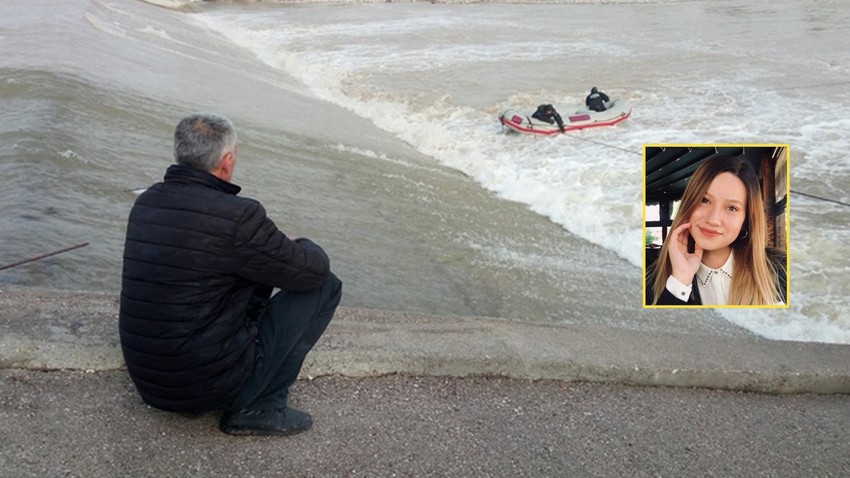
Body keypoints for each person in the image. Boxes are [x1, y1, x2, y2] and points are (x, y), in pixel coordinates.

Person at [119, 113, 342, 436]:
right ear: (226, 162)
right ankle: (259, 406)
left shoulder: (147, 202)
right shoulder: (238, 216)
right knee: (326, 286)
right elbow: (313, 272)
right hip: (201, 385)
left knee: (250, 269)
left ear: (178, 156)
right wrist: (302, 243)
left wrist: (270, 246)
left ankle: (247, 394)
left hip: (150, 381)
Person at [645, 156, 786, 306]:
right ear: (688, 204)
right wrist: (680, 279)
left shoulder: (782, 268)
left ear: (745, 221)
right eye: (704, 200)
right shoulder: (652, 282)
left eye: (732, 208)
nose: (713, 219)